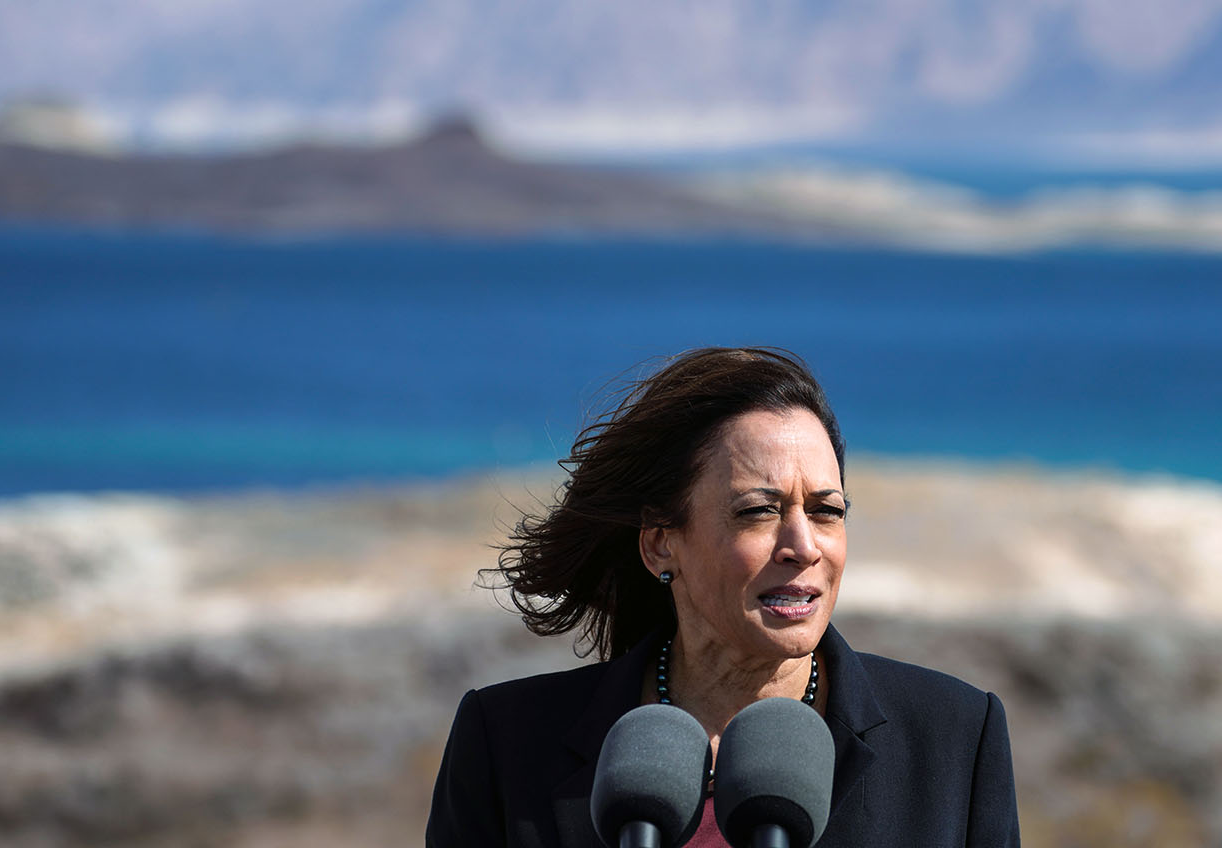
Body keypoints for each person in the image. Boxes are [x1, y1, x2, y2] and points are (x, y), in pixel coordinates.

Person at [425, 346, 1021, 848]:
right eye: (758, 511)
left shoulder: (956, 739)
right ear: (661, 546)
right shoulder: (504, 743)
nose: (803, 546)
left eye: (826, 511)